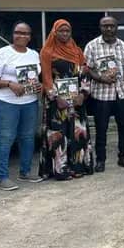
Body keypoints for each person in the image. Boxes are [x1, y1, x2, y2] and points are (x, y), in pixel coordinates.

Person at [0, 22, 43, 191]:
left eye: (26, 33)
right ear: (13, 34)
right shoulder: (1, 54)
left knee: (28, 137)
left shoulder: (34, 54)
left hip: (29, 102)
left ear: (30, 37)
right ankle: (2, 177)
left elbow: (35, 77)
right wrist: (10, 84)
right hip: (6, 103)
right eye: (18, 32)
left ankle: (25, 171)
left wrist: (38, 86)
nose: (21, 36)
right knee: (5, 139)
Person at [39, 19, 94, 180]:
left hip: (76, 101)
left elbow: (84, 73)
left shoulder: (77, 51)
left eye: (67, 31)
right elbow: (46, 78)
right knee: (59, 134)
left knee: (77, 133)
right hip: (57, 103)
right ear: (54, 32)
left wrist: (83, 94)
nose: (64, 34)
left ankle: (78, 166)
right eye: (61, 31)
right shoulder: (47, 51)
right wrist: (55, 97)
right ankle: (61, 169)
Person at [84, 16, 124, 173]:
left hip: (122, 93)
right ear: (100, 27)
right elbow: (86, 69)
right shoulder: (92, 46)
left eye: (112, 26)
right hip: (101, 95)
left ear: (116, 27)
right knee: (101, 128)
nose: (109, 29)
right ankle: (100, 160)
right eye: (105, 26)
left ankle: (123, 156)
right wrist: (100, 78)